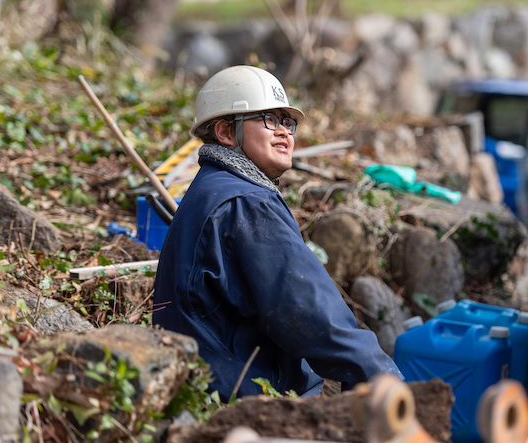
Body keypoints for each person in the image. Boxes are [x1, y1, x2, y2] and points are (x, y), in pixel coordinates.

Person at [152, 65, 402, 401]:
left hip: (209, 385)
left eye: (288, 122)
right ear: (226, 132)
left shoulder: (212, 189)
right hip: (243, 398)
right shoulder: (245, 202)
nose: (284, 132)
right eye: (268, 119)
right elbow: (315, 318)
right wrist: (385, 382)